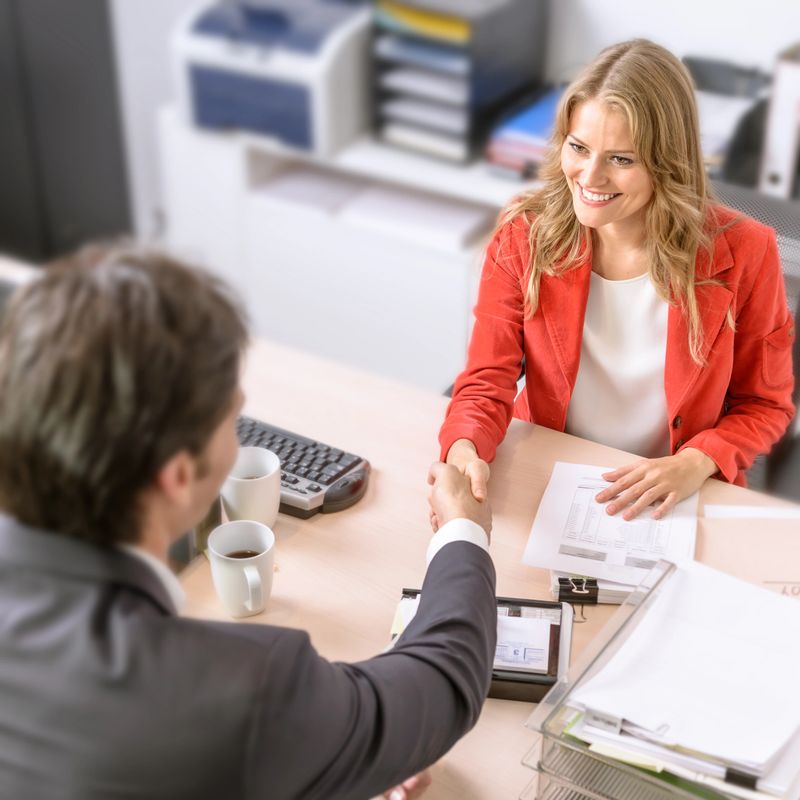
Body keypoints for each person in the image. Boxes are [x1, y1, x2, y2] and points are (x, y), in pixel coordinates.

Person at [0, 246, 497, 800]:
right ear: (179, 474)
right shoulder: (247, 690)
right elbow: (443, 681)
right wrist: (463, 532)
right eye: (231, 420)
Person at [440, 39, 795, 521]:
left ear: (668, 164)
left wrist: (695, 462)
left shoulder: (746, 251)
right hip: (548, 473)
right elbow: (487, 380)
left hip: (673, 494)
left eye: (621, 159)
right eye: (578, 147)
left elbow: (764, 405)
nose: (590, 176)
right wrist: (464, 445)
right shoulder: (524, 233)